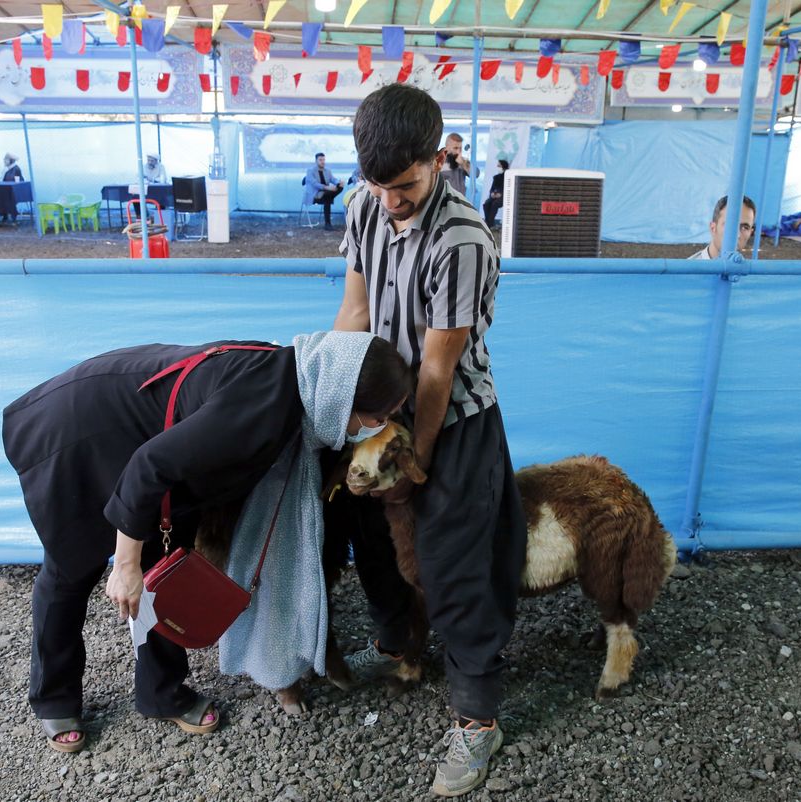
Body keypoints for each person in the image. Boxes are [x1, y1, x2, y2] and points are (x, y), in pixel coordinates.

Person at [2, 333, 411, 754]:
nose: (376, 427)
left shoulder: (305, 378)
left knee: (167, 569)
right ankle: (54, 696)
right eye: (377, 417)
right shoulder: (258, 412)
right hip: (80, 436)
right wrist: (125, 564)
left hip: (161, 456)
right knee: (72, 569)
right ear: (343, 398)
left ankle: (161, 692)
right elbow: (149, 465)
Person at [333, 83, 528, 798]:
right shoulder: (364, 205)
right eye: (377, 185)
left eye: (405, 184)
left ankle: (478, 718)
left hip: (453, 415)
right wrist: (334, 404)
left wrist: (417, 463)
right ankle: (400, 640)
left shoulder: (463, 239)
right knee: (364, 523)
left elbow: (440, 369)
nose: (390, 200)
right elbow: (353, 310)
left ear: (439, 159)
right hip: (379, 405)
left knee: (453, 557)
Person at [689, 194, 756, 259]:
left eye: (745, 228)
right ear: (713, 228)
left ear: (750, 232)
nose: (738, 235)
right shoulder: (688, 269)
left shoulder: (752, 269)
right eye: (730, 226)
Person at [302, 152, 343, 230]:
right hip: (314, 194)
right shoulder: (310, 171)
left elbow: (333, 179)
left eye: (323, 159)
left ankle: (328, 224)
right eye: (320, 160)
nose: (322, 161)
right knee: (328, 196)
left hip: (326, 193)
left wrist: (338, 183)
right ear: (316, 161)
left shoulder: (328, 170)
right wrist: (327, 187)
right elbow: (314, 184)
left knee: (339, 188)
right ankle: (328, 224)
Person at [482, 159, 509, 228]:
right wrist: (492, 194)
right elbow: (492, 188)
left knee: (494, 204)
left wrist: (501, 194)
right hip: (495, 196)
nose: (497, 167)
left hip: (505, 196)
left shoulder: (509, 176)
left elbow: (508, 188)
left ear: (503, 166)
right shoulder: (496, 177)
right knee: (486, 204)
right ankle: (490, 223)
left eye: (499, 166)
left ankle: (489, 224)